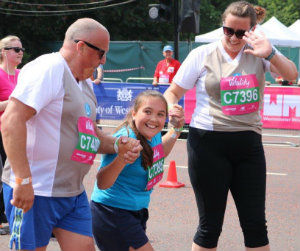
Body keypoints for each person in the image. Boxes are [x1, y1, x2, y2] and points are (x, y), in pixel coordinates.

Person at [163, 2, 298, 251]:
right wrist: (172, 107)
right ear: (222, 27)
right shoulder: (202, 54)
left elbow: (292, 75)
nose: (233, 38)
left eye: (240, 33)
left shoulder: (260, 51)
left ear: (252, 30)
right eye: (228, 31)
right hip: (207, 144)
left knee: (256, 226)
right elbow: (173, 91)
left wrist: (270, 54)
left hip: (248, 145)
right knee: (210, 226)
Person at [1, 18, 142, 251]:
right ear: (81, 46)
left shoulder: (85, 83)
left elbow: (91, 135)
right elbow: (11, 120)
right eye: (101, 53)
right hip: (37, 191)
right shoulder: (49, 68)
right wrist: (23, 180)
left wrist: (119, 145)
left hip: (72, 193)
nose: (104, 60)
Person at [90, 90, 185, 251]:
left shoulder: (151, 133)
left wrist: (176, 130)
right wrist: (122, 159)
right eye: (147, 112)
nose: (154, 119)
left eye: (161, 114)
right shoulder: (126, 138)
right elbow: (102, 182)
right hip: (112, 212)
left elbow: (158, 152)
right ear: (134, 113)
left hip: (136, 211)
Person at [0, 35, 24, 235]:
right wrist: (14, 102)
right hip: (1, 133)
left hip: (20, 132)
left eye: (21, 49)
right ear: (3, 52)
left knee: (16, 175)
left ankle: (10, 214)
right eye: (16, 49)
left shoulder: (23, 75)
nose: (20, 52)